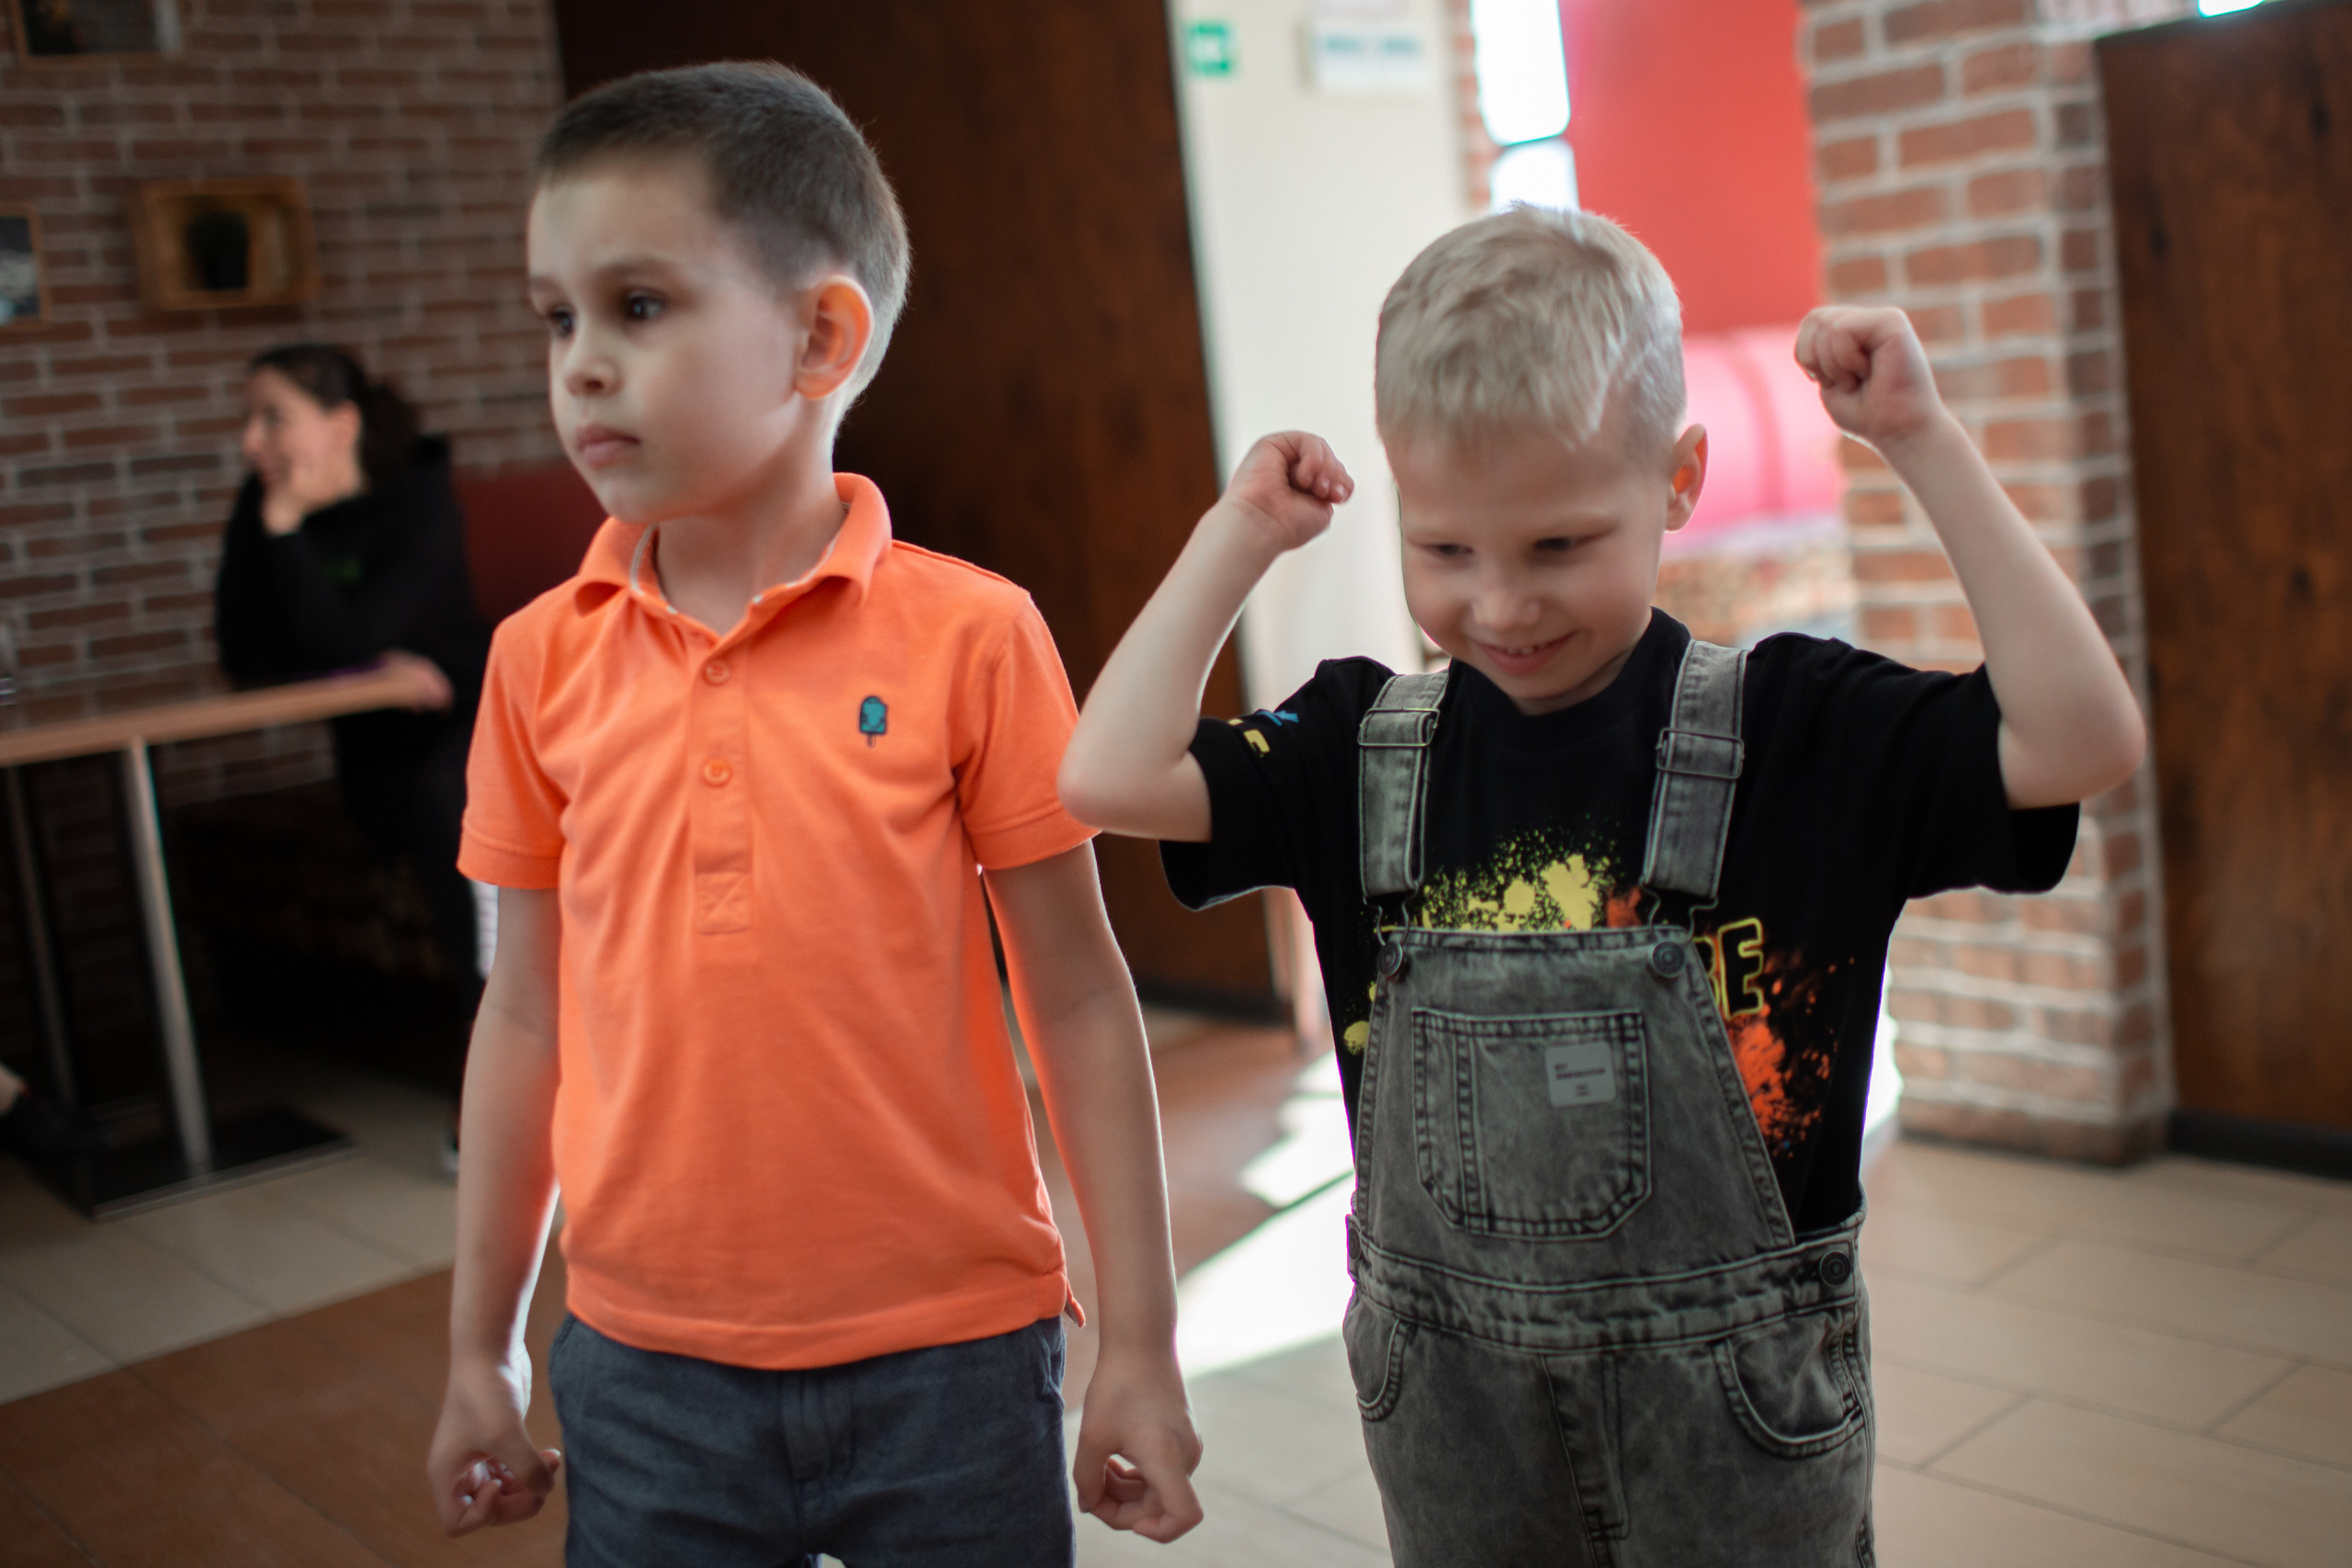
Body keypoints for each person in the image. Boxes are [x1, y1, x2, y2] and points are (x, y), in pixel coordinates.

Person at [1057, 208, 2145, 1564]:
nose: (1501, 603)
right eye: (1446, 550)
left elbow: (2081, 740)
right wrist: (1240, 532)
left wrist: (1921, 441)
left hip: (1739, 1435)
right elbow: (1107, 773)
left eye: (1560, 545)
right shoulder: (1358, 750)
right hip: (1456, 1436)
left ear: (1678, 480)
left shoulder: (1794, 730)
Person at [424, 62, 1203, 1564]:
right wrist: (484, 1348)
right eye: (556, 317)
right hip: (643, 1370)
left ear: (820, 335)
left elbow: (1081, 1001)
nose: (581, 362)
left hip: (955, 1363)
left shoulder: (973, 635)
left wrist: (1140, 1339)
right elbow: (524, 1016)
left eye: (639, 305)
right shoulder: (535, 661)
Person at [214, 344, 492, 988]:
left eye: (273, 418)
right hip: (377, 752)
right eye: (249, 420)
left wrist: (351, 649)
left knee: (447, 797)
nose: (250, 440)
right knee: (409, 806)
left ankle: (489, 1012)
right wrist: (282, 531)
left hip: (467, 724)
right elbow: (242, 651)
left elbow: (348, 641)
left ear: (341, 425)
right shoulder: (264, 510)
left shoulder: (421, 504)